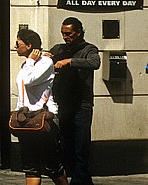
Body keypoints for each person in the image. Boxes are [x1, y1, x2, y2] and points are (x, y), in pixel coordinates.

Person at [48, 17, 100, 185]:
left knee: (81, 148)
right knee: (66, 145)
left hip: (81, 106)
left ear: (78, 32)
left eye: (69, 34)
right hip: (64, 104)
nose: (65, 37)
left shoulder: (89, 49)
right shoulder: (59, 48)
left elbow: (95, 62)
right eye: (63, 33)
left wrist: (69, 62)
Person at [14, 28, 68, 185]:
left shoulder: (45, 62)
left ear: (29, 45)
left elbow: (30, 81)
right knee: (31, 167)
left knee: (52, 165)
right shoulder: (26, 64)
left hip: (44, 118)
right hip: (27, 119)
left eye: (18, 43)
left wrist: (31, 61)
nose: (15, 47)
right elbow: (23, 90)